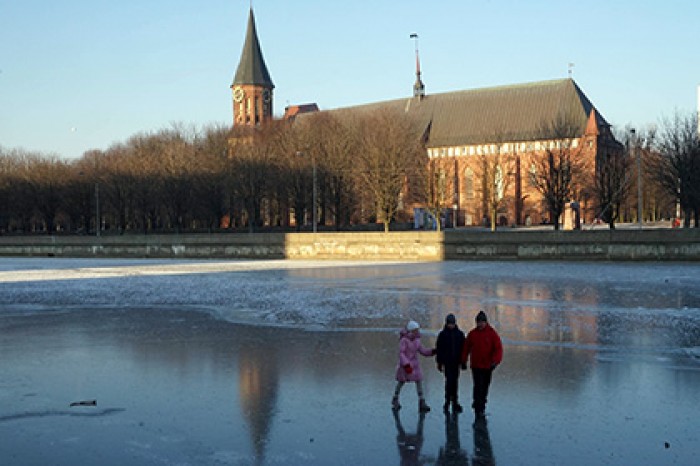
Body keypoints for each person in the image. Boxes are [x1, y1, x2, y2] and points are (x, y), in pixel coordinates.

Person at [462, 310, 503, 418]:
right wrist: (463, 360)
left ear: (485, 322)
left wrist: (495, 361)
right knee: (477, 386)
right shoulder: (472, 334)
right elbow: (466, 348)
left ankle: (481, 404)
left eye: (481, 322)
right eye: (478, 322)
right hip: (476, 365)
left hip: (488, 366)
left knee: (485, 386)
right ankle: (478, 405)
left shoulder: (492, 334)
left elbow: (498, 349)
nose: (480, 324)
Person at [392, 320, 434, 413]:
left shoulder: (417, 340)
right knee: (401, 382)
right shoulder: (404, 340)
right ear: (411, 330)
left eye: (417, 330)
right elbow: (401, 353)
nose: (417, 332)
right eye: (415, 330)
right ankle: (395, 398)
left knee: (419, 381)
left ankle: (421, 401)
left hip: (415, 365)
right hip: (405, 365)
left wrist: (432, 351)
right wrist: (406, 364)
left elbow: (422, 350)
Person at [435, 313, 466, 413]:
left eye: (452, 324)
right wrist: (439, 362)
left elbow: (463, 349)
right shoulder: (443, 334)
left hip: (456, 362)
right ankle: (447, 401)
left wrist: (463, 361)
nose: (450, 326)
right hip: (447, 363)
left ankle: (455, 402)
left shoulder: (460, 334)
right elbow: (439, 349)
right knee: (449, 382)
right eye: (449, 324)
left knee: (455, 382)